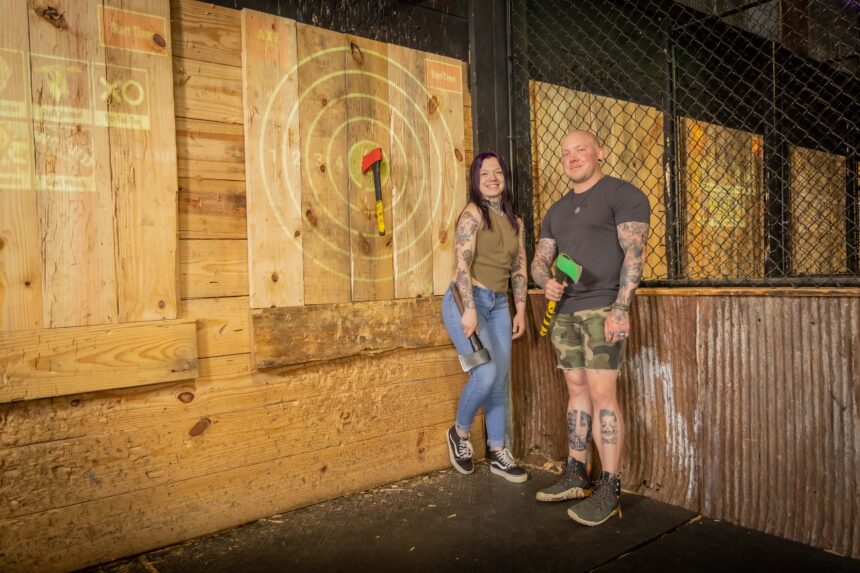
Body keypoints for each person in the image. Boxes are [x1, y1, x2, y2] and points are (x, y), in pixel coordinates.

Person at [530, 130, 650, 525]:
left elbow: (634, 253)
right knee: (576, 389)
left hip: (603, 309)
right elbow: (540, 259)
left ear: (600, 152)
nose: (572, 157)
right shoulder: (556, 211)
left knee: (602, 395)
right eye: (565, 152)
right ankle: (576, 474)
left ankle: (609, 487)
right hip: (565, 312)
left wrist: (621, 307)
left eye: (580, 149)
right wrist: (543, 279)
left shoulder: (623, 194)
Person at [442, 151, 529, 483]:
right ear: (475, 182)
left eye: (497, 173)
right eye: (484, 175)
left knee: (499, 380)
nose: (492, 178)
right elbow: (462, 263)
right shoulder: (472, 214)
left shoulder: (515, 221)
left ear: (504, 178)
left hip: (499, 304)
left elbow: (519, 267)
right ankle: (460, 433)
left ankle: (497, 452)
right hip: (467, 301)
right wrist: (470, 309)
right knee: (486, 375)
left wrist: (519, 308)